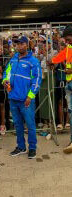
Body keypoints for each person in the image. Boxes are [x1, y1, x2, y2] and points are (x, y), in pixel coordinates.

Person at [3, 36, 42, 159]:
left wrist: (30, 96)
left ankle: (32, 148)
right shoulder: (13, 59)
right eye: (17, 44)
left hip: (26, 100)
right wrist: (5, 80)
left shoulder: (33, 61)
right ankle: (21, 147)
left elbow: (37, 80)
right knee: (18, 125)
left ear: (27, 45)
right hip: (13, 98)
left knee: (30, 125)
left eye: (21, 44)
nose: (19, 46)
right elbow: (6, 72)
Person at [49, 26, 72, 154]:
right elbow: (60, 57)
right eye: (66, 40)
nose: (67, 42)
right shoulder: (68, 48)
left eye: (68, 39)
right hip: (69, 84)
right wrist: (52, 61)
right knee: (71, 112)